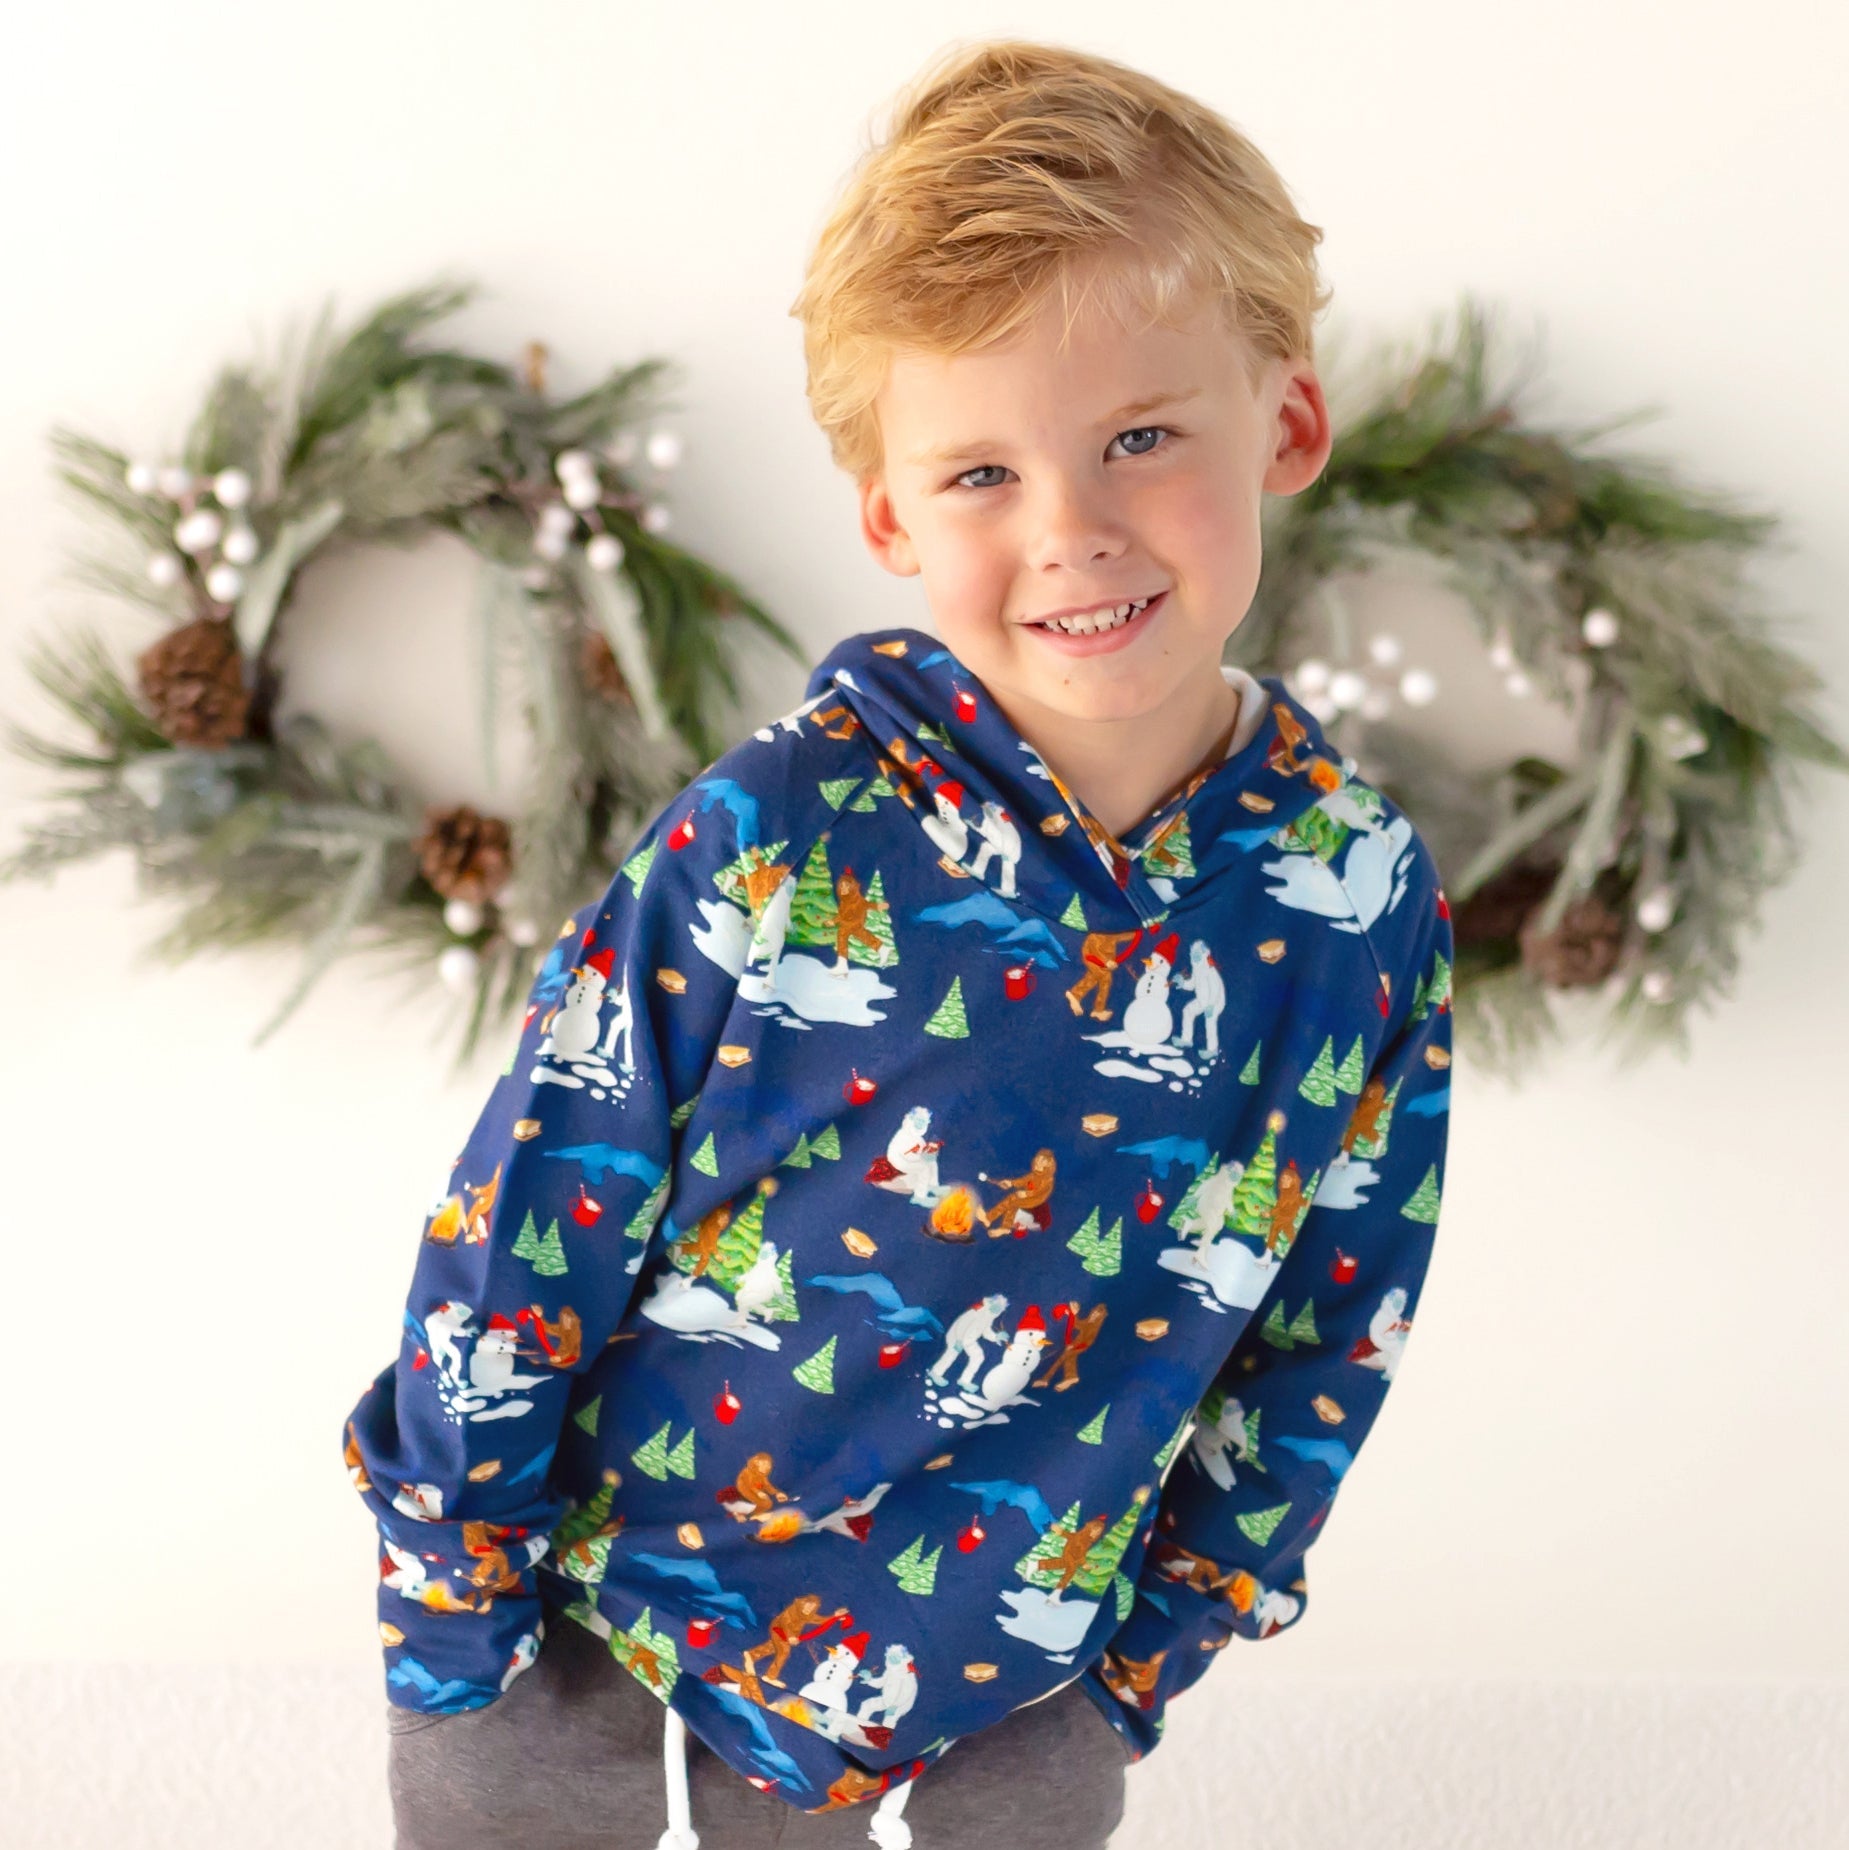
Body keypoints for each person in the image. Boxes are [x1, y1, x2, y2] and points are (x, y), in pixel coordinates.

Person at [344, 35, 1455, 1850]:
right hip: (593, 1614)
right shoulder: (775, 825)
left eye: (1141, 438)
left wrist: (1143, 1656)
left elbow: (1338, 1314)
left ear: (1286, 423)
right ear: (887, 514)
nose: (1071, 530)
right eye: (980, 473)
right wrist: (455, 1614)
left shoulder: (1356, 897)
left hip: (1013, 1670)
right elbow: (533, 1199)